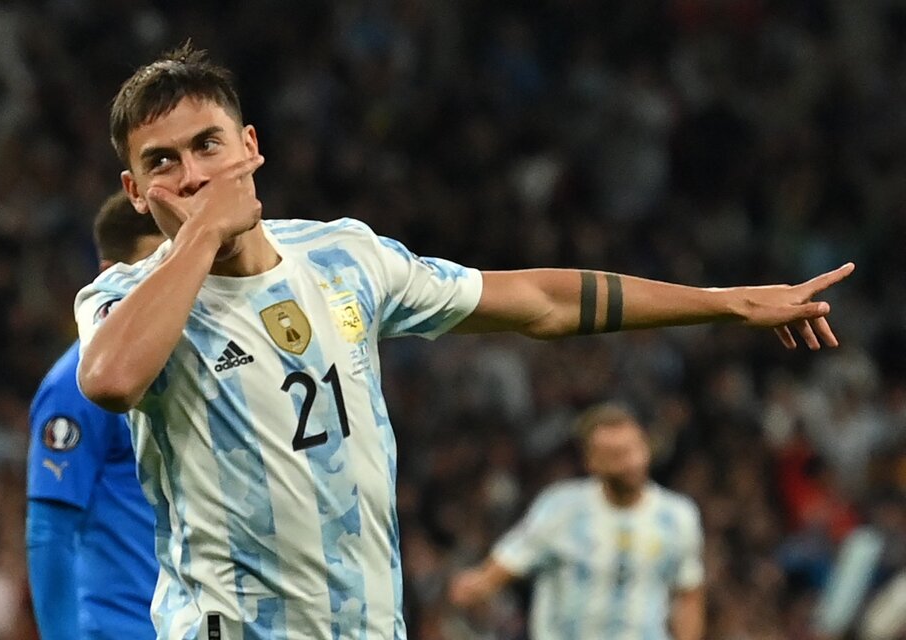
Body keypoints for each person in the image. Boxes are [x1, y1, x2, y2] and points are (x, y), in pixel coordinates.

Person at [74, 42, 853, 640]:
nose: (192, 174)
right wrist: (204, 233)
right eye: (162, 163)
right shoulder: (122, 297)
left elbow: (541, 302)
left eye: (207, 145)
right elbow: (109, 379)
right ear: (135, 192)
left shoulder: (345, 256)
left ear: (249, 145)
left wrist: (722, 302)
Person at [26, 191, 165, 639]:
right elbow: (49, 532)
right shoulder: (78, 382)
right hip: (120, 628)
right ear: (112, 276)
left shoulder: (185, 369)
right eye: (154, 266)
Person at [448, 403, 705, 639]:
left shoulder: (677, 516)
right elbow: (513, 556)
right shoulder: (562, 508)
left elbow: (689, 593)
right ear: (592, 462)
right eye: (615, 455)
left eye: (633, 450)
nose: (629, 463)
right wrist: (479, 584)